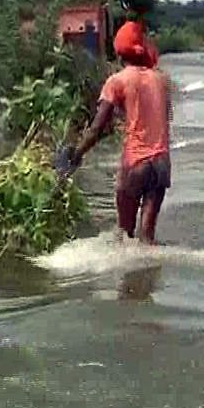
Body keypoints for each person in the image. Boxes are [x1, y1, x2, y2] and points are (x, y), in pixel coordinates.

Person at [62, 20, 172, 245]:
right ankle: (149, 278)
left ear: (119, 54)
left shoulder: (117, 81)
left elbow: (97, 128)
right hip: (161, 163)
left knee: (125, 234)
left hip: (135, 164)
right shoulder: (161, 80)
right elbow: (166, 116)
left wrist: (77, 154)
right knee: (147, 238)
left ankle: (129, 280)